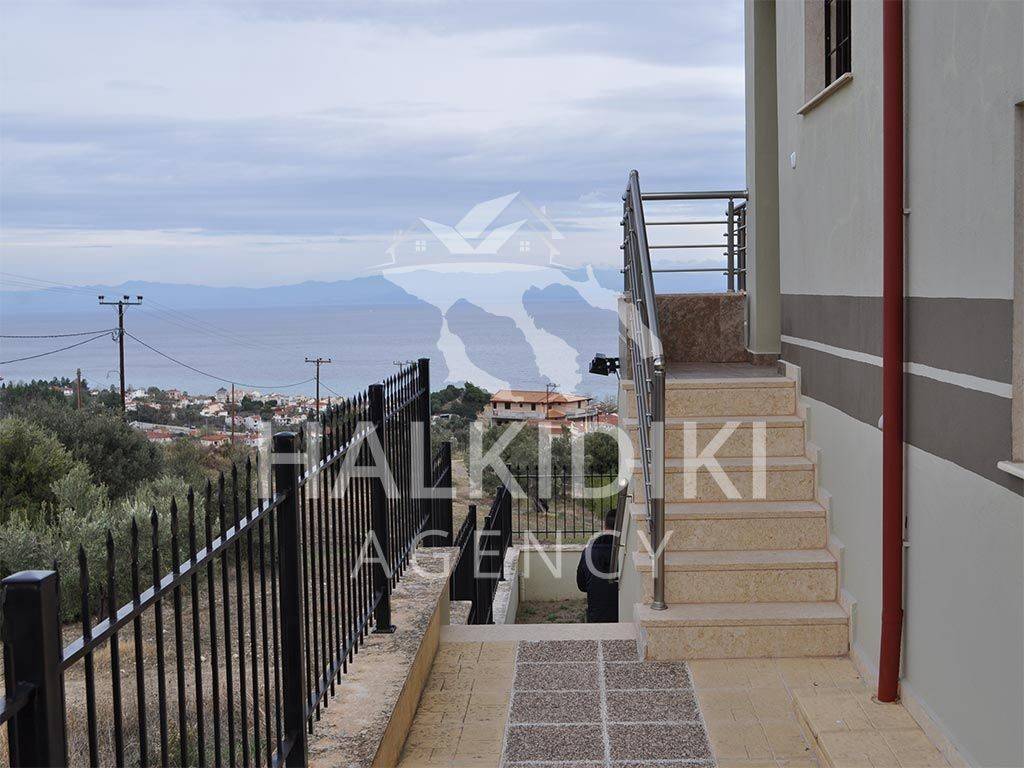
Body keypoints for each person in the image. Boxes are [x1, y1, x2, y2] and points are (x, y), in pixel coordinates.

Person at [576, 509, 619, 622]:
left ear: (605, 526)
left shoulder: (588, 552)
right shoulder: (625, 554)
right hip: (623, 617)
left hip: (596, 618)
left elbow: (581, 586)